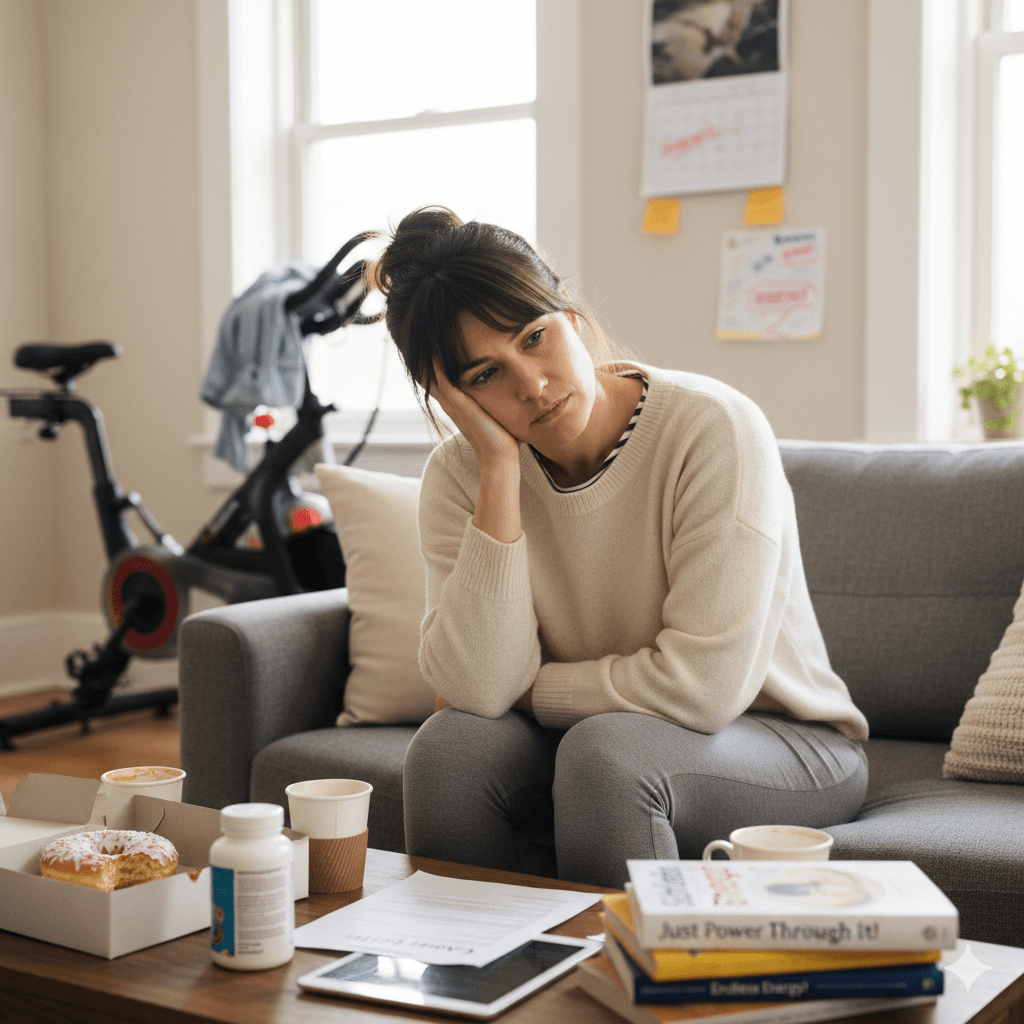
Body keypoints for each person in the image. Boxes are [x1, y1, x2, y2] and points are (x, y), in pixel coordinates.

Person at [373, 206, 869, 888]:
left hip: (783, 738)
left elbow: (702, 688)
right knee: (447, 751)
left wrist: (529, 690)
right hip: (592, 735)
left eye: (534, 336)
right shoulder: (463, 475)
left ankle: (626, 988)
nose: (532, 384)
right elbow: (482, 691)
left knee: (605, 756)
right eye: (484, 375)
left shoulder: (711, 428)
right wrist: (496, 468)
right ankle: (475, 977)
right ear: (449, 395)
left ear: (569, 313)